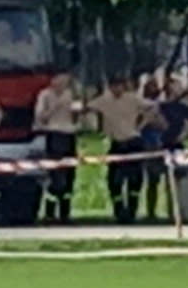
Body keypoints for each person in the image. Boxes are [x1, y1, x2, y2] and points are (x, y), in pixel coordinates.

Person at [89, 73, 155, 222]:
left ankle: (132, 210)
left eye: (119, 86)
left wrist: (141, 124)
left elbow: (151, 106)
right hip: (117, 142)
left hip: (133, 141)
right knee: (114, 180)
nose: (117, 89)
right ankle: (119, 210)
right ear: (110, 87)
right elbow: (88, 107)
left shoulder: (132, 99)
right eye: (114, 87)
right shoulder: (104, 101)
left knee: (135, 179)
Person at [33, 73, 79, 222]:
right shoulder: (45, 95)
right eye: (60, 80)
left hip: (69, 134)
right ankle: (50, 212)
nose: (63, 83)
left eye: (66, 81)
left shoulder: (71, 94)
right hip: (53, 134)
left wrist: (77, 110)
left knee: (69, 175)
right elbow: (40, 118)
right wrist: (54, 107)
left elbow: (77, 115)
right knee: (55, 175)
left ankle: (65, 212)